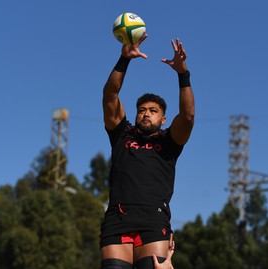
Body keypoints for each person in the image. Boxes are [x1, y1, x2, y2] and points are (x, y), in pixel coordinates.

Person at [100, 32, 194, 269]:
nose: (146, 113)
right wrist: (124, 59)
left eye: (153, 110)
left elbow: (188, 116)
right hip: (117, 219)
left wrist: (183, 74)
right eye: (142, 109)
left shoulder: (169, 141)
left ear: (163, 119)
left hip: (153, 221)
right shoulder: (122, 134)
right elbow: (110, 95)